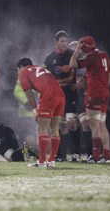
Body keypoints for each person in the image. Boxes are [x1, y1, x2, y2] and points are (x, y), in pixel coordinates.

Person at [69, 36, 110, 163]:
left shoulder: (90, 56)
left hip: (94, 94)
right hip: (105, 93)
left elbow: (72, 64)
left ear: (84, 47)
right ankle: (107, 156)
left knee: (94, 126)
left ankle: (96, 156)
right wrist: (103, 88)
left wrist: (77, 50)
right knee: (102, 124)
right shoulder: (104, 55)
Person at [16, 57, 65, 167]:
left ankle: (42, 161)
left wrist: (34, 109)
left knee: (42, 128)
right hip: (60, 95)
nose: (18, 72)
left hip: (48, 96)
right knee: (55, 129)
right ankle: (51, 161)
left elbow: (29, 93)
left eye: (18, 69)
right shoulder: (40, 68)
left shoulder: (23, 73)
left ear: (22, 67)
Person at [44, 31, 81, 162]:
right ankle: (61, 155)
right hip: (57, 96)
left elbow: (88, 66)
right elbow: (46, 78)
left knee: (72, 122)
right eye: (62, 41)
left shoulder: (73, 54)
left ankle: (77, 152)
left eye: (66, 41)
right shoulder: (49, 59)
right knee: (59, 125)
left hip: (71, 94)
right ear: (56, 42)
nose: (64, 43)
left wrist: (82, 81)